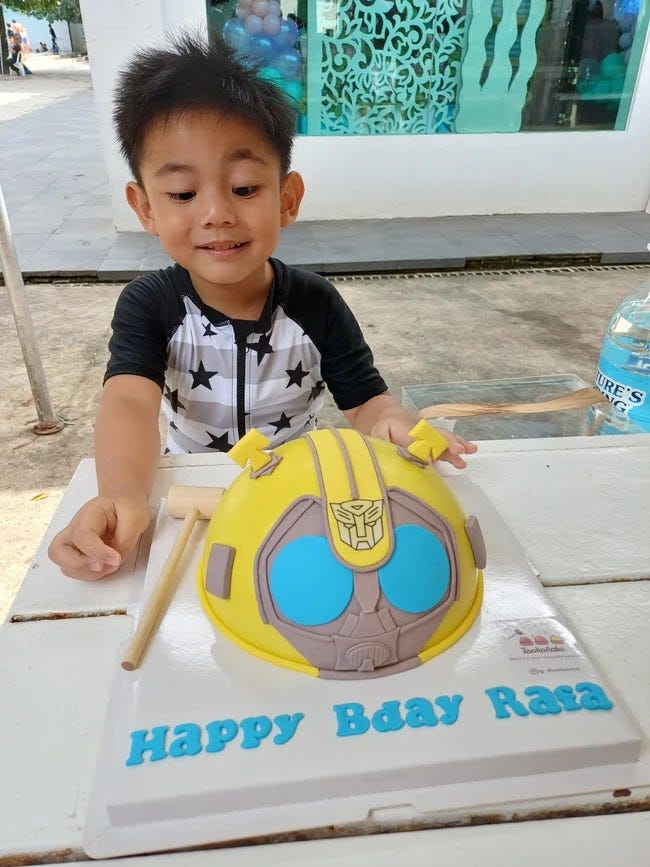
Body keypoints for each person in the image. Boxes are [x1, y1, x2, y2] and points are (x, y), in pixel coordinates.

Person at [48, 33, 477, 581]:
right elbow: (129, 403)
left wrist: (393, 422)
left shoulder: (316, 304)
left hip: (296, 497)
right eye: (182, 194)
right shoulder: (149, 304)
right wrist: (123, 495)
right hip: (192, 491)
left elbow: (367, 403)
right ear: (145, 208)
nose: (217, 213)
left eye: (246, 187)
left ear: (288, 197)